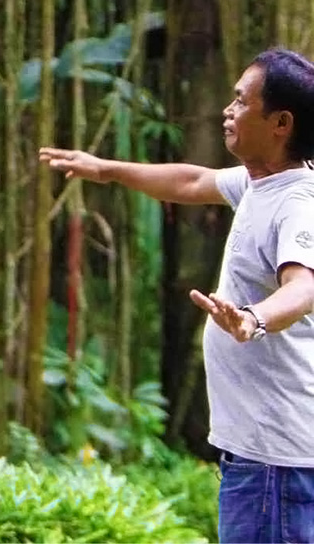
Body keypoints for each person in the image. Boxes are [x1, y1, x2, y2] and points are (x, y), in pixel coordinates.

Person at [39, 47, 314, 544]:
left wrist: (253, 319)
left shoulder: (297, 203)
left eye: (241, 101)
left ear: (280, 123)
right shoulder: (259, 184)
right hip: (261, 456)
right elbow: (192, 180)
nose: (228, 111)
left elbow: (304, 285)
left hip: (276, 460)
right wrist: (106, 169)